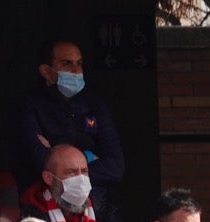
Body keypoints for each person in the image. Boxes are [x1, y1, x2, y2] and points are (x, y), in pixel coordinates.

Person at [10, 40, 125, 197]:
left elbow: (115, 167)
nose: (76, 70)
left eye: (79, 63)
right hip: (46, 202)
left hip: (96, 203)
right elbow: (38, 161)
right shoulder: (29, 105)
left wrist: (58, 159)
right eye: (66, 64)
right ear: (46, 71)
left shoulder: (94, 104)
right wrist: (90, 157)